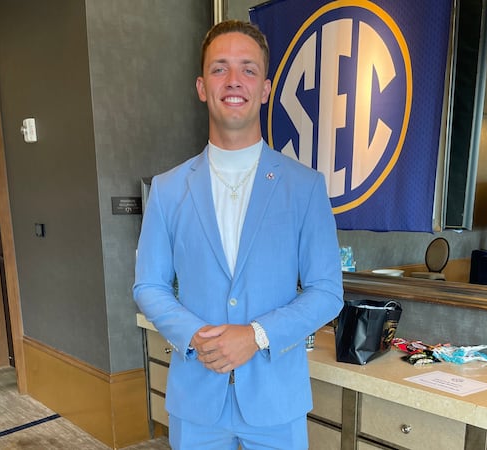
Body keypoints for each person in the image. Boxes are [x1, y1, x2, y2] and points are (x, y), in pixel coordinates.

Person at [133, 19, 343, 450]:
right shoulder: (168, 188)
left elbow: (327, 291)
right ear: (201, 86)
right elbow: (149, 286)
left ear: (265, 89)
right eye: (220, 68)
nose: (234, 81)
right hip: (196, 398)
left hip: (276, 399)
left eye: (248, 69)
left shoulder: (305, 187)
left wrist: (256, 335)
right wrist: (196, 335)